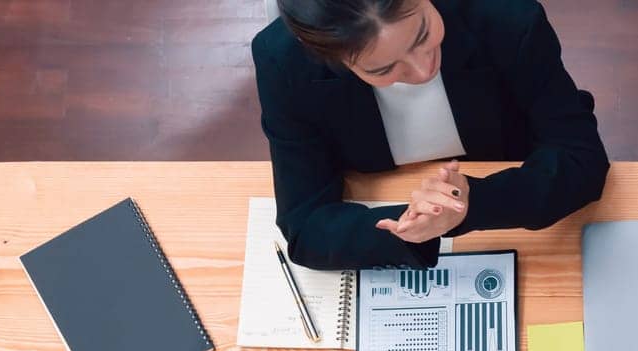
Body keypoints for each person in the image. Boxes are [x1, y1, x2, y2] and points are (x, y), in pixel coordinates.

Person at [253, 0, 609, 270]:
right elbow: (304, 225)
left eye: (423, 34)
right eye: (384, 68)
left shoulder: (507, 16)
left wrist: (471, 206)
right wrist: (408, 225)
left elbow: (581, 158)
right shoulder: (283, 61)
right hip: (385, 187)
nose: (423, 70)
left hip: (510, 172)